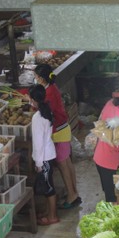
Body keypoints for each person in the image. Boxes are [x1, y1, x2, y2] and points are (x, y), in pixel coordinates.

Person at [33, 63, 81, 209]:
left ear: (41, 79)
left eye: (35, 76)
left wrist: (35, 106)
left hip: (58, 132)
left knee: (63, 165)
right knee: (67, 163)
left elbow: (48, 113)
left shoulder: (48, 93)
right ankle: (74, 193)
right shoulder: (52, 88)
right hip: (63, 128)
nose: (34, 78)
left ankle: (72, 196)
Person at [29, 84, 59, 226]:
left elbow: (38, 143)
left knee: (48, 188)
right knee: (48, 185)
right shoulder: (46, 112)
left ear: (33, 99)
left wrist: (38, 163)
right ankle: (49, 212)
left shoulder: (37, 117)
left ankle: (52, 216)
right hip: (49, 154)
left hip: (44, 157)